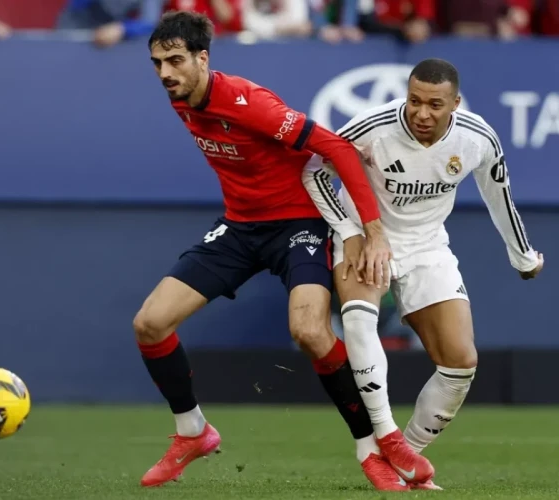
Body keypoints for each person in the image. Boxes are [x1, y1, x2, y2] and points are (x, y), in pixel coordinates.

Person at [133, 11, 410, 492]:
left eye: (175, 60)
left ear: (203, 58)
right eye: (157, 63)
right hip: (239, 226)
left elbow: (337, 149)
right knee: (149, 324)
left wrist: (372, 232)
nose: (165, 73)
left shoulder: (248, 103)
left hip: (298, 224)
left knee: (309, 331)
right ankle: (193, 431)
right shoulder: (181, 98)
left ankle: (370, 448)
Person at [302, 58, 545, 490]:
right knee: (358, 321)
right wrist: (349, 232)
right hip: (365, 235)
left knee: (461, 364)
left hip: (427, 246)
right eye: (414, 101)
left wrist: (523, 256)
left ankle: (402, 457)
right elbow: (314, 171)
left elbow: (499, 196)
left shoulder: (477, 138)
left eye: (435, 105)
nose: (421, 113)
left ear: (455, 104)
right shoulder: (373, 126)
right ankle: (387, 436)